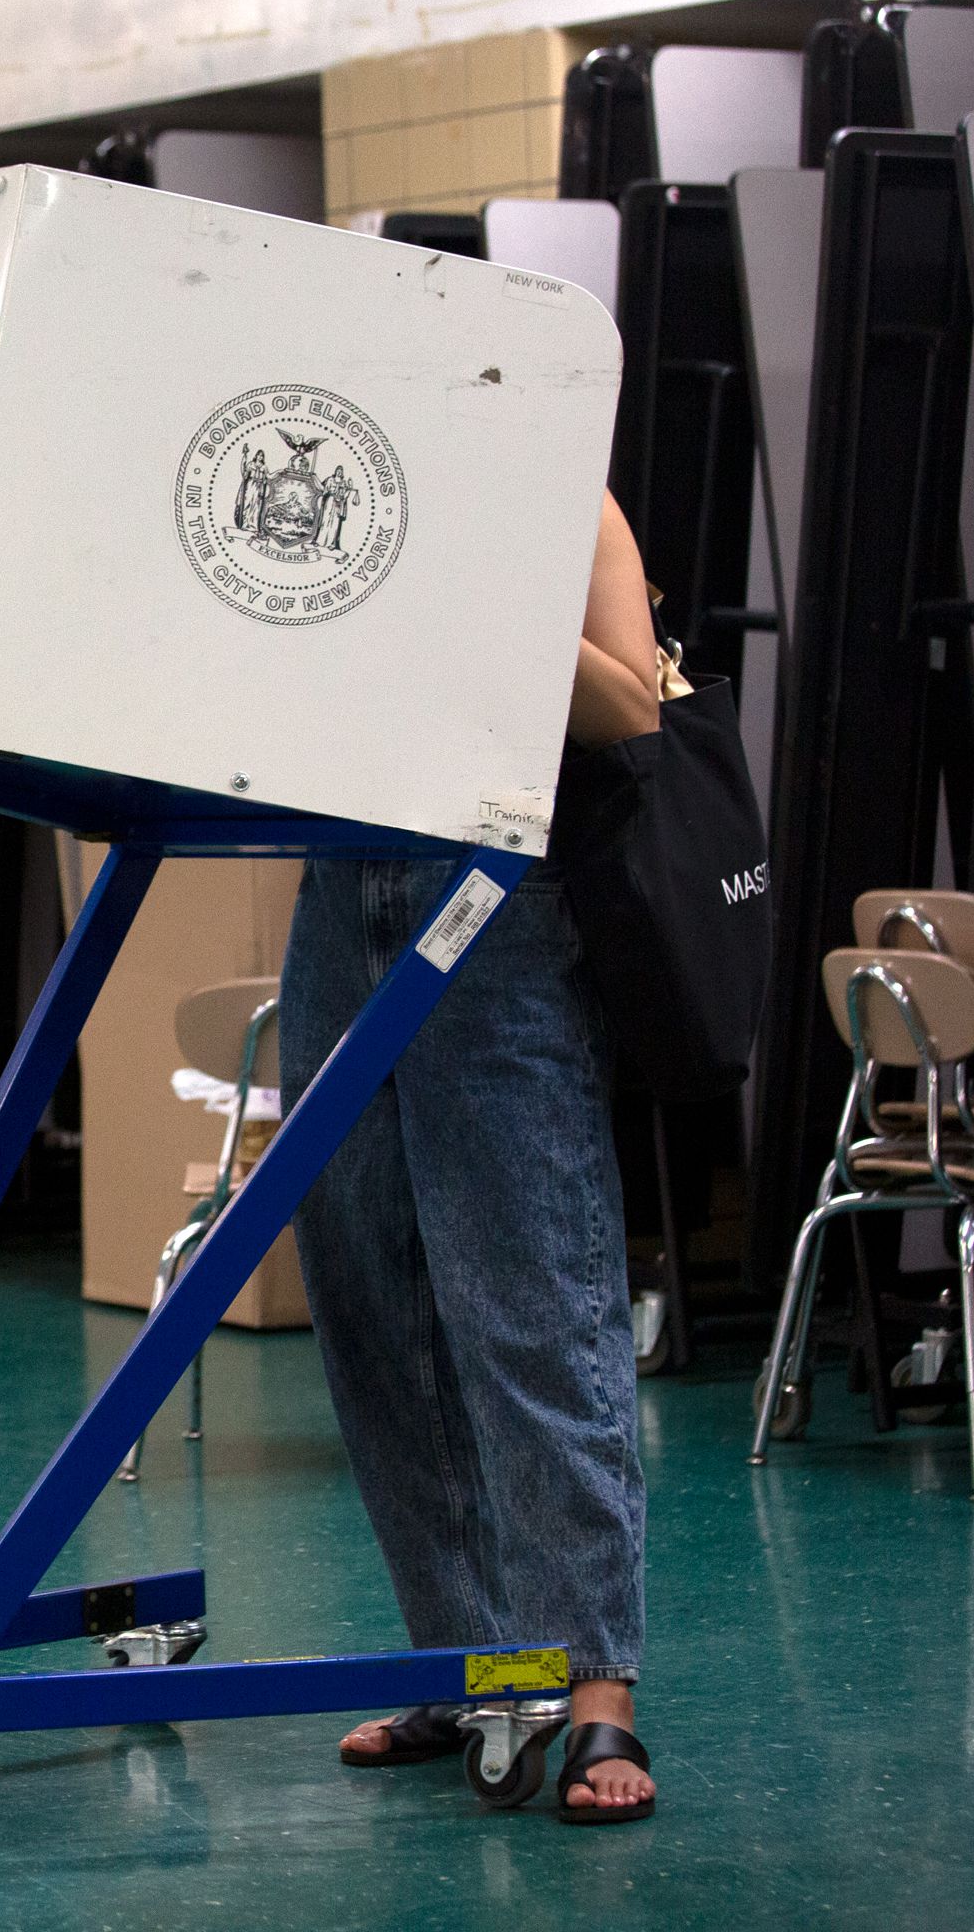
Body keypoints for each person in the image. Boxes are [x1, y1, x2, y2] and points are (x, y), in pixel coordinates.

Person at [283, 494, 662, 1823]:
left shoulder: (567, 495)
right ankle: (473, 1665)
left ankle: (597, 1686)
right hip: (342, 888)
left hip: (498, 894)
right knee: (372, 1292)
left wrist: (461, 576)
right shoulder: (342, 477)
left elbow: (632, 707)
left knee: (530, 1295)